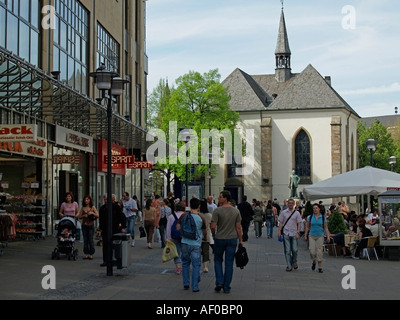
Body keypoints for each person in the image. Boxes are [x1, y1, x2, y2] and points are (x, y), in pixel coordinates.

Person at [211, 190, 243, 294]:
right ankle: (226, 286)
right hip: (232, 238)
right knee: (229, 263)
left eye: (220, 197)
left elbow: (213, 226)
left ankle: (219, 281)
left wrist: (213, 234)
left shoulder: (217, 211)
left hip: (220, 238)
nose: (219, 198)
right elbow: (238, 227)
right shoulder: (235, 211)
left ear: (225, 198)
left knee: (218, 260)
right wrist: (240, 240)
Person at [177, 198, 207, 292]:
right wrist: (204, 237)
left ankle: (186, 283)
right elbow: (204, 231)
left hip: (185, 242)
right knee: (196, 265)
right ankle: (195, 286)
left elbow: (178, 227)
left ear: (190, 205)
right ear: (199, 206)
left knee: (185, 263)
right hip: (196, 244)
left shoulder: (184, 215)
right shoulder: (201, 217)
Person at [99, 194, 126, 267]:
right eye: (105, 199)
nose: (106, 200)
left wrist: (122, 227)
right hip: (105, 229)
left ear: (113, 199)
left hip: (114, 229)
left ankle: (115, 259)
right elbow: (101, 220)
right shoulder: (102, 208)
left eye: (107, 199)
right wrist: (100, 229)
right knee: (105, 245)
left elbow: (122, 217)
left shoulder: (116, 207)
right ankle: (106, 260)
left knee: (115, 245)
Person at [304, 203, 331, 273]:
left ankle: (320, 266)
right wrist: (305, 235)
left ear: (319, 209)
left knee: (319, 251)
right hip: (312, 235)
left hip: (320, 235)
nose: (315, 209)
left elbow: (326, 228)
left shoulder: (322, 218)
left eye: (316, 208)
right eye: (314, 208)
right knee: (312, 251)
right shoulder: (310, 217)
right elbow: (307, 226)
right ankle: (314, 261)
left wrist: (328, 236)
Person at [278, 198, 302, 272]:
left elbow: (299, 223)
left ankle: (294, 261)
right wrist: (279, 231)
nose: (290, 204)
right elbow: (281, 222)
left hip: (294, 233)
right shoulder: (284, 212)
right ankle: (289, 265)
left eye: (292, 203)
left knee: (295, 250)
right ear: (287, 204)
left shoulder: (297, 213)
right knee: (287, 250)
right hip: (286, 233)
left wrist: (298, 232)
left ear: (294, 204)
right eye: (289, 203)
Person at [166, 201, 186, 275]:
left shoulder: (172, 216)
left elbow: (168, 227)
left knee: (176, 252)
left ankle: (178, 268)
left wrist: (168, 238)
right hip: (185, 236)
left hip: (175, 236)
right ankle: (185, 266)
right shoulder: (186, 215)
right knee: (184, 252)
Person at [77, 195, 99, 260]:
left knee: (90, 239)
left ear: (90, 200)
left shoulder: (92, 207)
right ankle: (86, 253)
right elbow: (79, 216)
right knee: (85, 239)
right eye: (85, 199)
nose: (86, 201)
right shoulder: (83, 208)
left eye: (87, 199)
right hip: (84, 225)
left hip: (90, 225)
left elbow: (97, 215)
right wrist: (84, 215)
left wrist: (92, 213)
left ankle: (91, 253)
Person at [199, 198, 212, 273]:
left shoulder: (198, 215)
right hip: (206, 236)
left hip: (197, 236)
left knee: (197, 251)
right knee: (206, 252)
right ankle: (205, 267)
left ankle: (196, 264)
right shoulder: (209, 215)